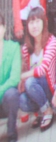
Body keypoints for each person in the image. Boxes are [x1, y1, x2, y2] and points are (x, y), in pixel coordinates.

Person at [19, 7, 56, 132]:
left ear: (44, 23)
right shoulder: (26, 48)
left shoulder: (51, 41)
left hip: (50, 88)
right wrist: (21, 81)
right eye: (31, 22)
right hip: (35, 89)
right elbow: (26, 70)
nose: (34, 26)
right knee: (21, 99)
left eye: (37, 21)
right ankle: (41, 111)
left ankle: (47, 111)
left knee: (30, 82)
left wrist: (23, 77)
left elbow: (42, 70)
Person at [0, 13, 21, 142]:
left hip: (6, 101)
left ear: (4, 28)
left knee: (12, 94)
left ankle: (11, 131)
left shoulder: (13, 47)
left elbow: (14, 78)